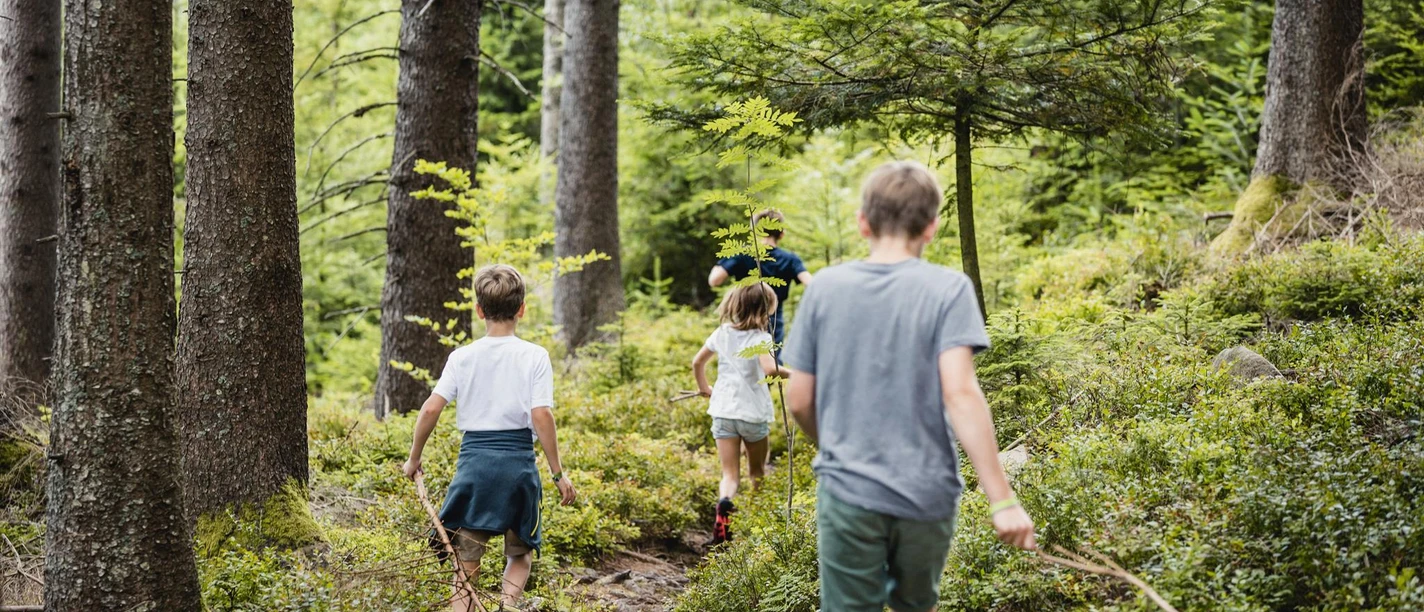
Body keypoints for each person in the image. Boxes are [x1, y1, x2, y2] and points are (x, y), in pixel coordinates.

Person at [782, 161, 1037, 612]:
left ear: (863, 223)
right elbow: (960, 393)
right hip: (926, 493)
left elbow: (799, 399)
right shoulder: (949, 289)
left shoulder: (825, 290)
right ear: (932, 228)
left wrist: (836, 444)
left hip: (847, 490)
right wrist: (1002, 500)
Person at [402, 264, 578, 612]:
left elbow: (430, 410)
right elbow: (541, 415)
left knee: (465, 565)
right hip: (518, 468)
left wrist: (414, 457)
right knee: (521, 553)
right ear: (522, 309)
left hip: (474, 469)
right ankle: (506, 606)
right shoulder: (535, 356)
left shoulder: (461, 357)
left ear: (479, 310)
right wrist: (558, 473)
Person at [691, 282, 790, 545]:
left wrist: (705, 388)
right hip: (752, 414)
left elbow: (697, 362)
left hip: (723, 411)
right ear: (765, 309)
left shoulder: (723, 332)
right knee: (757, 472)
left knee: (729, 475)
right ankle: (758, 527)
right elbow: (771, 370)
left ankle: (724, 508)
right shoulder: (761, 338)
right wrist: (797, 373)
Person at [707, 209, 813, 353]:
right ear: (781, 233)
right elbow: (811, 284)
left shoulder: (742, 254)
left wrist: (723, 262)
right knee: (773, 364)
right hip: (773, 317)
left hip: (743, 315)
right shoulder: (790, 259)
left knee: (741, 360)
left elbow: (714, 280)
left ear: (756, 231)